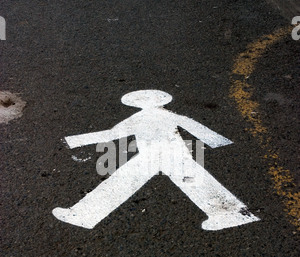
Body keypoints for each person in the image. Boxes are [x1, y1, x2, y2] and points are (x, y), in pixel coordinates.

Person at [52, 89, 259, 230]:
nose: (142, 103)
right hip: (156, 154)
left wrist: (76, 141)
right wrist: (216, 141)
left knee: (123, 181)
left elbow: (112, 134)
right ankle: (82, 215)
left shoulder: (150, 116)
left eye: (142, 100)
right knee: (122, 181)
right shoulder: (160, 115)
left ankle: (82, 215)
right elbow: (115, 133)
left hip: (167, 153)